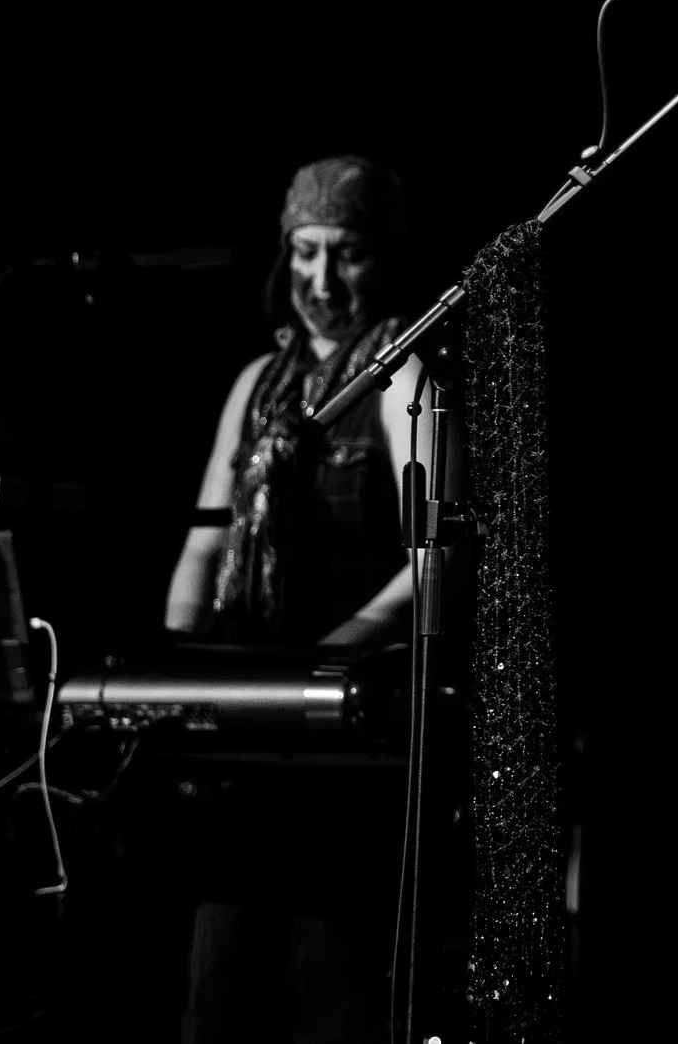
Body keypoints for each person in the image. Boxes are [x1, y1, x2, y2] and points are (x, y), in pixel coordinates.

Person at [163, 154, 450, 1044]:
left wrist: (328, 660)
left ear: (386, 257)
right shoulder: (257, 385)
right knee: (219, 990)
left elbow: (437, 561)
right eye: (305, 255)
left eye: (348, 254)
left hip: (349, 737)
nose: (322, 281)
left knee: (333, 988)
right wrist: (174, 669)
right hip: (251, 733)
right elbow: (207, 539)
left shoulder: (409, 380)